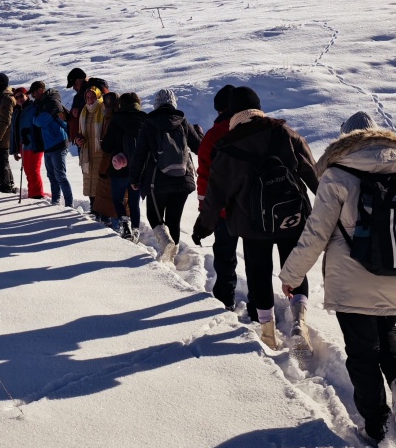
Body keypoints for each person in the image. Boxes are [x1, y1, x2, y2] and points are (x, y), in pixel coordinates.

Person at [277, 111, 396, 446]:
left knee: (361, 350)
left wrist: (291, 274)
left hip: (352, 277)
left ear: (344, 139)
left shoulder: (336, 175)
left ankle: (375, 426)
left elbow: (316, 233)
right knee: (387, 329)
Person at [192, 86, 317, 351]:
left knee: (258, 274)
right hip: (292, 218)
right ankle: (299, 322)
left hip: (253, 226)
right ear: (259, 108)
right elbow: (314, 175)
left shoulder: (226, 148)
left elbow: (215, 197)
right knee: (294, 269)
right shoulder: (286, 133)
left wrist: (203, 227)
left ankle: (269, 334)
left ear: (233, 113)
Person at [130, 88, 202, 262]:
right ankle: (171, 257)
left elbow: (139, 154)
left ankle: (165, 241)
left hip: (157, 181)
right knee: (174, 219)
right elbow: (199, 147)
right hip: (183, 179)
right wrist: (199, 132)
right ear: (173, 103)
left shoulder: (149, 123)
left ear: (156, 105)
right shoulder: (182, 121)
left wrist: (134, 178)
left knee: (154, 216)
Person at [196, 85, 240, 308]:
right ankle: (261, 309)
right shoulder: (259, 127)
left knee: (225, 255)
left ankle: (226, 299)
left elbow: (204, 174)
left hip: (224, 209)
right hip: (254, 208)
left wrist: (204, 210)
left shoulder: (214, 135)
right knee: (257, 260)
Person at [103, 92, 145, 239]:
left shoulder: (116, 120)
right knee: (134, 203)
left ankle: (124, 222)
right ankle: (135, 230)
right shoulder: (144, 119)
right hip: (138, 168)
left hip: (118, 167)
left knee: (118, 199)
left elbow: (106, 147)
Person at [34, 81, 74, 206]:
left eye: (34, 92)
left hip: (58, 143)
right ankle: (55, 201)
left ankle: (68, 204)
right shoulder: (42, 103)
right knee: (52, 176)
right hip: (49, 144)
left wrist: (38, 119)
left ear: (41, 90)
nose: (33, 95)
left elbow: (39, 121)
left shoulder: (52, 103)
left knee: (60, 176)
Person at [15, 85, 47, 199]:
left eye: (21, 96)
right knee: (28, 170)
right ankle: (32, 193)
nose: (19, 99)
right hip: (25, 144)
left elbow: (37, 124)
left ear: (26, 95)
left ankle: (37, 194)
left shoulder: (32, 107)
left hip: (34, 144)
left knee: (33, 170)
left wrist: (28, 132)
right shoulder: (20, 109)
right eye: (17, 97)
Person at [65, 67, 88, 148]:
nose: (74, 88)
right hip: (79, 140)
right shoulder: (77, 97)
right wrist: (66, 116)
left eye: (75, 84)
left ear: (81, 80)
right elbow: (74, 117)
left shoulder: (91, 93)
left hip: (88, 140)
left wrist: (80, 111)